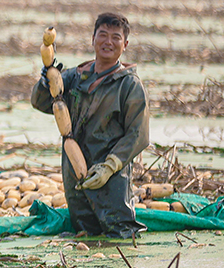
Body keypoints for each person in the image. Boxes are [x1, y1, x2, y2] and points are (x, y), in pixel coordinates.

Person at [31, 12, 150, 238]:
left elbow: (138, 134)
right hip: (74, 171)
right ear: (92, 39)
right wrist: (46, 81)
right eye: (102, 35)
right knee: (84, 234)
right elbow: (42, 103)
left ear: (125, 45)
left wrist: (109, 166)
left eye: (115, 37)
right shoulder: (73, 78)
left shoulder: (129, 86)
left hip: (111, 176)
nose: (108, 42)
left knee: (121, 234)